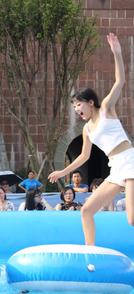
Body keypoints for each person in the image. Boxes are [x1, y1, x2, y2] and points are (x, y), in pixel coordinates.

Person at [49, 33, 134, 245]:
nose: (77, 108)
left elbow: (120, 81)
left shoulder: (106, 109)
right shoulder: (87, 130)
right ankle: (91, 253)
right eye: (75, 106)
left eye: (80, 104)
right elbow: (84, 156)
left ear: (91, 102)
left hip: (130, 161)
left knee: (132, 219)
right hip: (116, 169)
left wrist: (117, 54)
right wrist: (63, 171)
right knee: (86, 210)